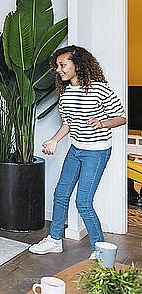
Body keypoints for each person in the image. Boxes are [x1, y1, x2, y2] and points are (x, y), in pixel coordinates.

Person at [28, 45, 126, 258]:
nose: (58, 70)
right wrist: (54, 140)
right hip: (76, 150)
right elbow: (68, 124)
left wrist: (102, 123)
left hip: (96, 152)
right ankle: (54, 240)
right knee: (60, 195)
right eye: (57, 66)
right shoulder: (66, 94)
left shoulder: (100, 90)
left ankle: (100, 252)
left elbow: (121, 117)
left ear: (78, 65)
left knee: (83, 202)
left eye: (62, 65)